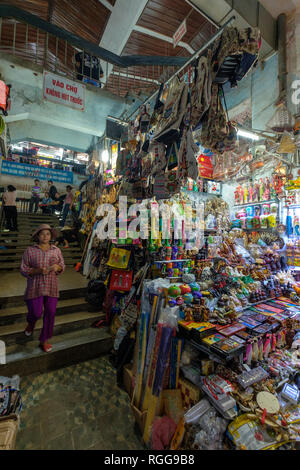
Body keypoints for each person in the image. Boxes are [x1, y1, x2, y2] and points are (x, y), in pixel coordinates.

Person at [20, 224, 65, 353]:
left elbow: (62, 265)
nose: (45, 236)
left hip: (51, 287)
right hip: (35, 287)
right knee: (36, 312)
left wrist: (58, 268)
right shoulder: (30, 250)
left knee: (50, 312)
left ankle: (44, 339)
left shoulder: (56, 250)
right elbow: (23, 269)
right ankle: (31, 323)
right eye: (42, 234)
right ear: (38, 236)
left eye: (48, 234)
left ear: (51, 236)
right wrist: (37, 270)